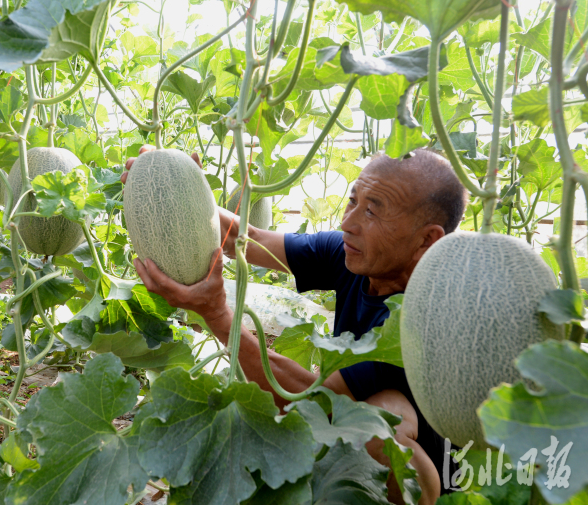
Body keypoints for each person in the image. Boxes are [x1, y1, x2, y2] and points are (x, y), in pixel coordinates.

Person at [121, 146, 468, 505]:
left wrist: (217, 314)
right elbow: (250, 239)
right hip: (348, 440)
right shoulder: (357, 254)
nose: (347, 224)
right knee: (373, 410)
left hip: (437, 467)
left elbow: (316, 404)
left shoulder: (423, 316)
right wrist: (187, 194)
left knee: (382, 418)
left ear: (426, 239)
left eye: (372, 212)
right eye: (352, 201)